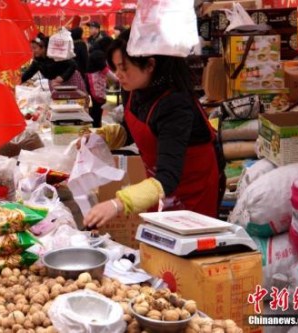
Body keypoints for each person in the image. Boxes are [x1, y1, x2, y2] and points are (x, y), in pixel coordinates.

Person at [83, 30, 223, 229]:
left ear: (150, 65)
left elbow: (167, 178)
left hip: (192, 190)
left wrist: (118, 204)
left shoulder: (175, 104)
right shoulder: (133, 87)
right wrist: (104, 137)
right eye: (115, 67)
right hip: (159, 187)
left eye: (124, 68)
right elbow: (136, 129)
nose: (118, 74)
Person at [21, 33, 86, 93]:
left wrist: (62, 77)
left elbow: (73, 64)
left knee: (75, 102)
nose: (33, 51)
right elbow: (28, 73)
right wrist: (18, 82)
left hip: (70, 80)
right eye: (31, 48)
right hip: (55, 84)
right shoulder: (37, 61)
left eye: (34, 48)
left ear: (43, 47)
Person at [86, 50, 118, 128]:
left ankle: (95, 126)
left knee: (95, 109)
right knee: (96, 109)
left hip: (92, 84)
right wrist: (118, 80)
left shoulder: (95, 54)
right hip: (95, 85)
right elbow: (107, 72)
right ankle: (95, 128)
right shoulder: (99, 55)